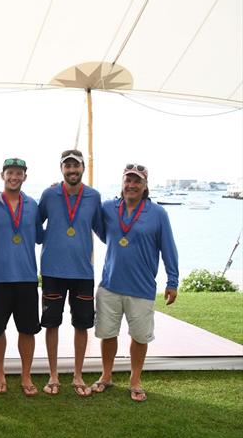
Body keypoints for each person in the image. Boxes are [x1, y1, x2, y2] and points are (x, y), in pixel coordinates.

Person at [91, 163, 178, 402]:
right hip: (110, 285)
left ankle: (135, 380)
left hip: (142, 288)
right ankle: (106, 376)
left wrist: (173, 280)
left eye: (137, 181)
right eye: (128, 180)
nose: (131, 185)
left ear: (145, 185)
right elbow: (99, 230)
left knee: (139, 337)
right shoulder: (108, 207)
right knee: (107, 333)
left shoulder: (158, 213)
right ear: (122, 183)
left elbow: (168, 248)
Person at [38, 150, 104, 397]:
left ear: (83, 169)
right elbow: (34, 223)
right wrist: (47, 238)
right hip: (53, 270)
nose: (72, 171)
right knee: (51, 324)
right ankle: (53, 375)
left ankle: (77, 375)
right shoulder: (49, 194)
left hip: (83, 272)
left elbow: (103, 231)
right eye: (67, 167)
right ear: (61, 169)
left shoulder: (94, 197)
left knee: (81, 325)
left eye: (76, 166)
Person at [0, 158, 43, 396]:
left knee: (27, 330)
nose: (14, 177)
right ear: (2, 175)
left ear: (25, 177)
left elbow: (39, 236)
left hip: (27, 277)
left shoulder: (33, 205)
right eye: (10, 173)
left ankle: (26, 376)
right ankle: (0, 373)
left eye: (19, 173)